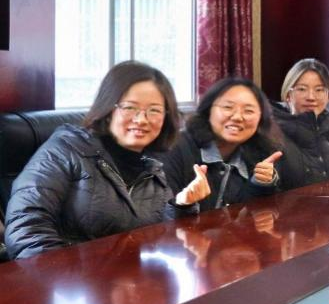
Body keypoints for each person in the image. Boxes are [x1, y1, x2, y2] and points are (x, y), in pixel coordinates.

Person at [4, 61, 209, 259]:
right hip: (66, 279)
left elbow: (157, 242)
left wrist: (182, 206)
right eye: (130, 107)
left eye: (154, 110)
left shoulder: (152, 171)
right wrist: (69, 277)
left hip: (125, 279)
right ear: (108, 110)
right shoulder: (65, 150)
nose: (141, 119)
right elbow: (26, 228)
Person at [163, 77, 286, 214]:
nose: (237, 117)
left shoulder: (261, 154)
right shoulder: (177, 147)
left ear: (261, 118)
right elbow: (161, 216)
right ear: (208, 110)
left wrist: (261, 185)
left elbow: (251, 217)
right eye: (228, 107)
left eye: (248, 111)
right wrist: (182, 203)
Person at [272, 58, 329, 188]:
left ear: (328, 96)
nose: (311, 97)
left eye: (319, 90)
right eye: (302, 89)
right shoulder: (272, 137)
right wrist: (262, 183)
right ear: (288, 95)